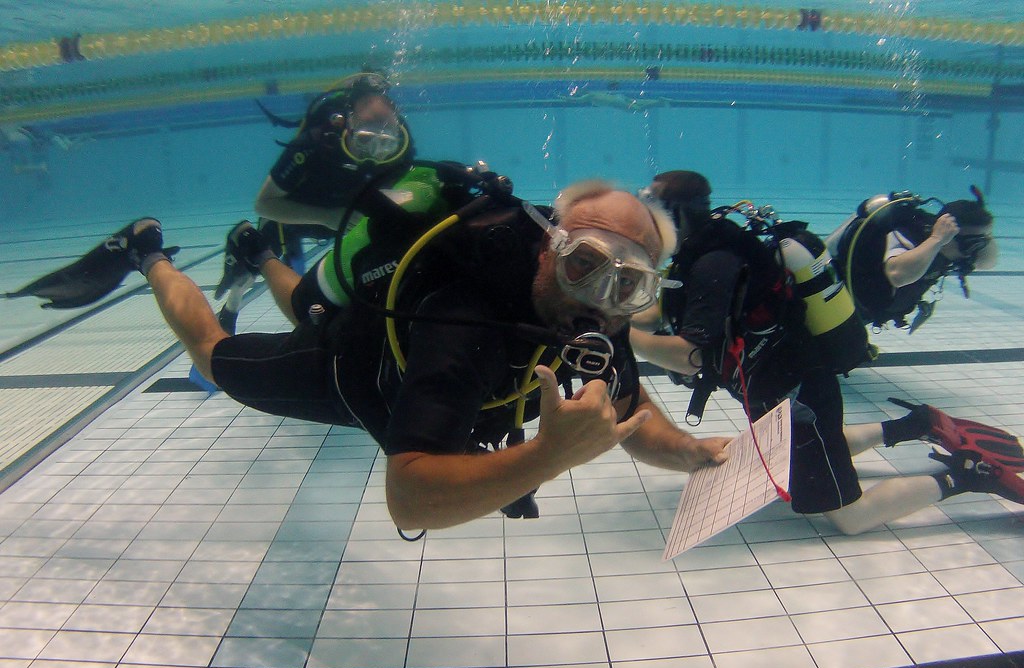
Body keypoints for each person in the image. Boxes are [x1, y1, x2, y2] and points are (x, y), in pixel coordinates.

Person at [94, 178, 729, 531]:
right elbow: (411, 496)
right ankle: (147, 251)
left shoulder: (600, 312)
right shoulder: (465, 322)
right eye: (583, 264)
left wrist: (697, 454)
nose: (598, 292)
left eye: (628, 282)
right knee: (215, 354)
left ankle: (256, 251)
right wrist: (548, 455)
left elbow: (630, 412)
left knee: (305, 306)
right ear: (547, 248)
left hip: (404, 345)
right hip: (350, 370)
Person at [631, 170, 1020, 536]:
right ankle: (911, 426)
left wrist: (620, 334)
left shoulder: (714, 262)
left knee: (851, 517)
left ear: (676, 215)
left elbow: (688, 356)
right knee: (802, 449)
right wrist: (609, 315)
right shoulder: (701, 252)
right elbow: (664, 312)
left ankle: (970, 475)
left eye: (651, 214)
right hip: (778, 388)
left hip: (799, 392)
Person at [214, 70, 417, 333]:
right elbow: (264, 204)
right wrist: (328, 217)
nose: (373, 156)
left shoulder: (401, 151)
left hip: (349, 220)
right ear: (349, 124)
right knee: (252, 266)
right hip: (295, 214)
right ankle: (232, 306)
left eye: (385, 145)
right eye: (365, 140)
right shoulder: (318, 143)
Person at [826, 187, 997, 332]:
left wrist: (986, 232)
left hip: (858, 313)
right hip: (832, 302)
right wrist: (936, 239)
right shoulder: (911, 233)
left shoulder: (948, 247)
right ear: (949, 234)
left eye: (980, 244)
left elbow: (987, 263)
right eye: (972, 245)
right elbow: (896, 274)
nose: (974, 253)